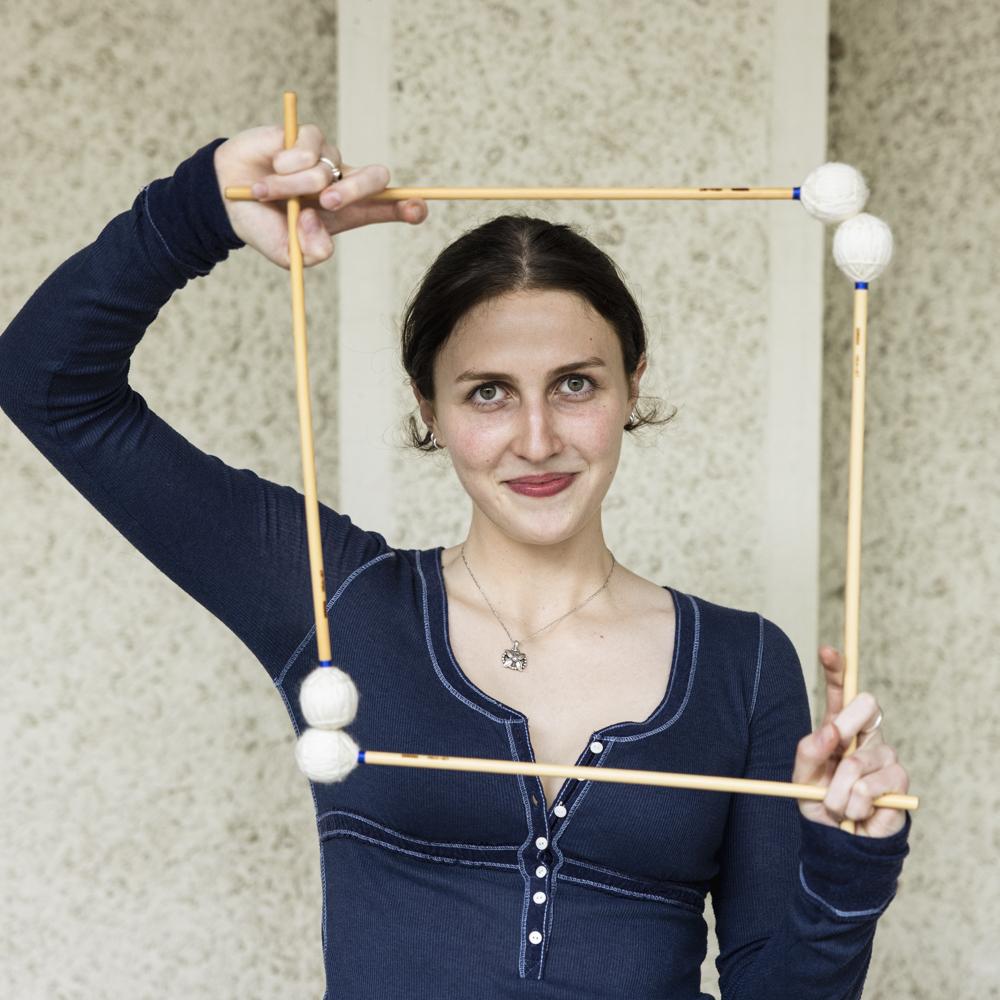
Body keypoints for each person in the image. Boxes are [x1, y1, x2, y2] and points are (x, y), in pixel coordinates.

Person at [0, 122, 912, 999]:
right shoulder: (341, 602)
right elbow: (48, 382)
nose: (538, 438)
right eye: (488, 393)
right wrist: (203, 205)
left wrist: (850, 862)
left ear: (633, 384)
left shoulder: (744, 665)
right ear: (428, 407)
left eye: (576, 384)